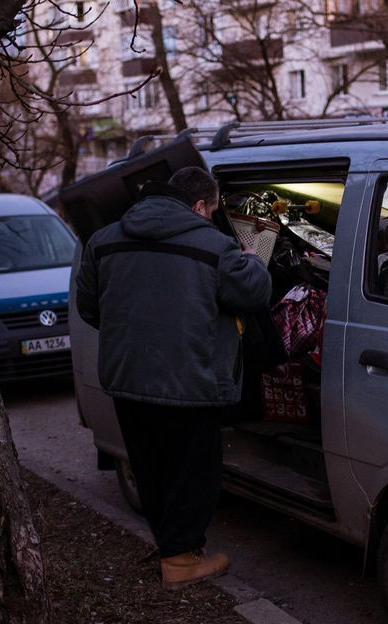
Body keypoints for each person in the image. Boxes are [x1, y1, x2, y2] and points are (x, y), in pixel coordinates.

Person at [75, 167, 271, 589]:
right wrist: (254, 255)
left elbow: (90, 309)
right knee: (193, 473)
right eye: (214, 210)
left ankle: (171, 548)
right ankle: (181, 559)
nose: (214, 218)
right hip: (190, 382)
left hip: (128, 380)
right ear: (199, 206)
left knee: (151, 468)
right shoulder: (215, 247)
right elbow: (253, 293)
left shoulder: (104, 240)